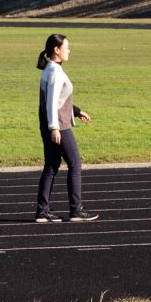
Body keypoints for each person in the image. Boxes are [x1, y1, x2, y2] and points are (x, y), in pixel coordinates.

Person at [35, 34, 99, 223]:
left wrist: (77, 111)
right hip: (58, 126)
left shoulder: (48, 69)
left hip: (49, 125)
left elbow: (57, 101)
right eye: (67, 47)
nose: (69, 50)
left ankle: (42, 211)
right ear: (56, 49)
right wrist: (55, 128)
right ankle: (76, 210)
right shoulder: (55, 71)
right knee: (75, 164)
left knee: (51, 166)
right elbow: (52, 103)